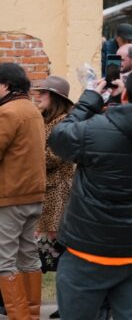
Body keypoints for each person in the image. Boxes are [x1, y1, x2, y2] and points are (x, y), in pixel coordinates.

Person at [48, 65, 132, 320]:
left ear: (126, 95)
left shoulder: (95, 129)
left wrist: (90, 99)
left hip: (90, 247)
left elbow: (58, 138)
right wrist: (127, 100)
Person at [0, 63, 45, 320]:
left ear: (5, 85)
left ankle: (21, 318)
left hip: (10, 197)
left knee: (4, 262)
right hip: (32, 196)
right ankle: (31, 315)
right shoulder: (31, 109)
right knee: (28, 257)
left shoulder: (8, 112)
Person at [30, 76, 75, 319]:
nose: (39, 97)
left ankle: (68, 305)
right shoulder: (48, 120)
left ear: (55, 98)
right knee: (42, 253)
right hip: (47, 193)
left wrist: (25, 151)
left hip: (59, 194)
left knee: (58, 254)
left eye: (44, 93)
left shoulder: (64, 124)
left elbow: (50, 158)